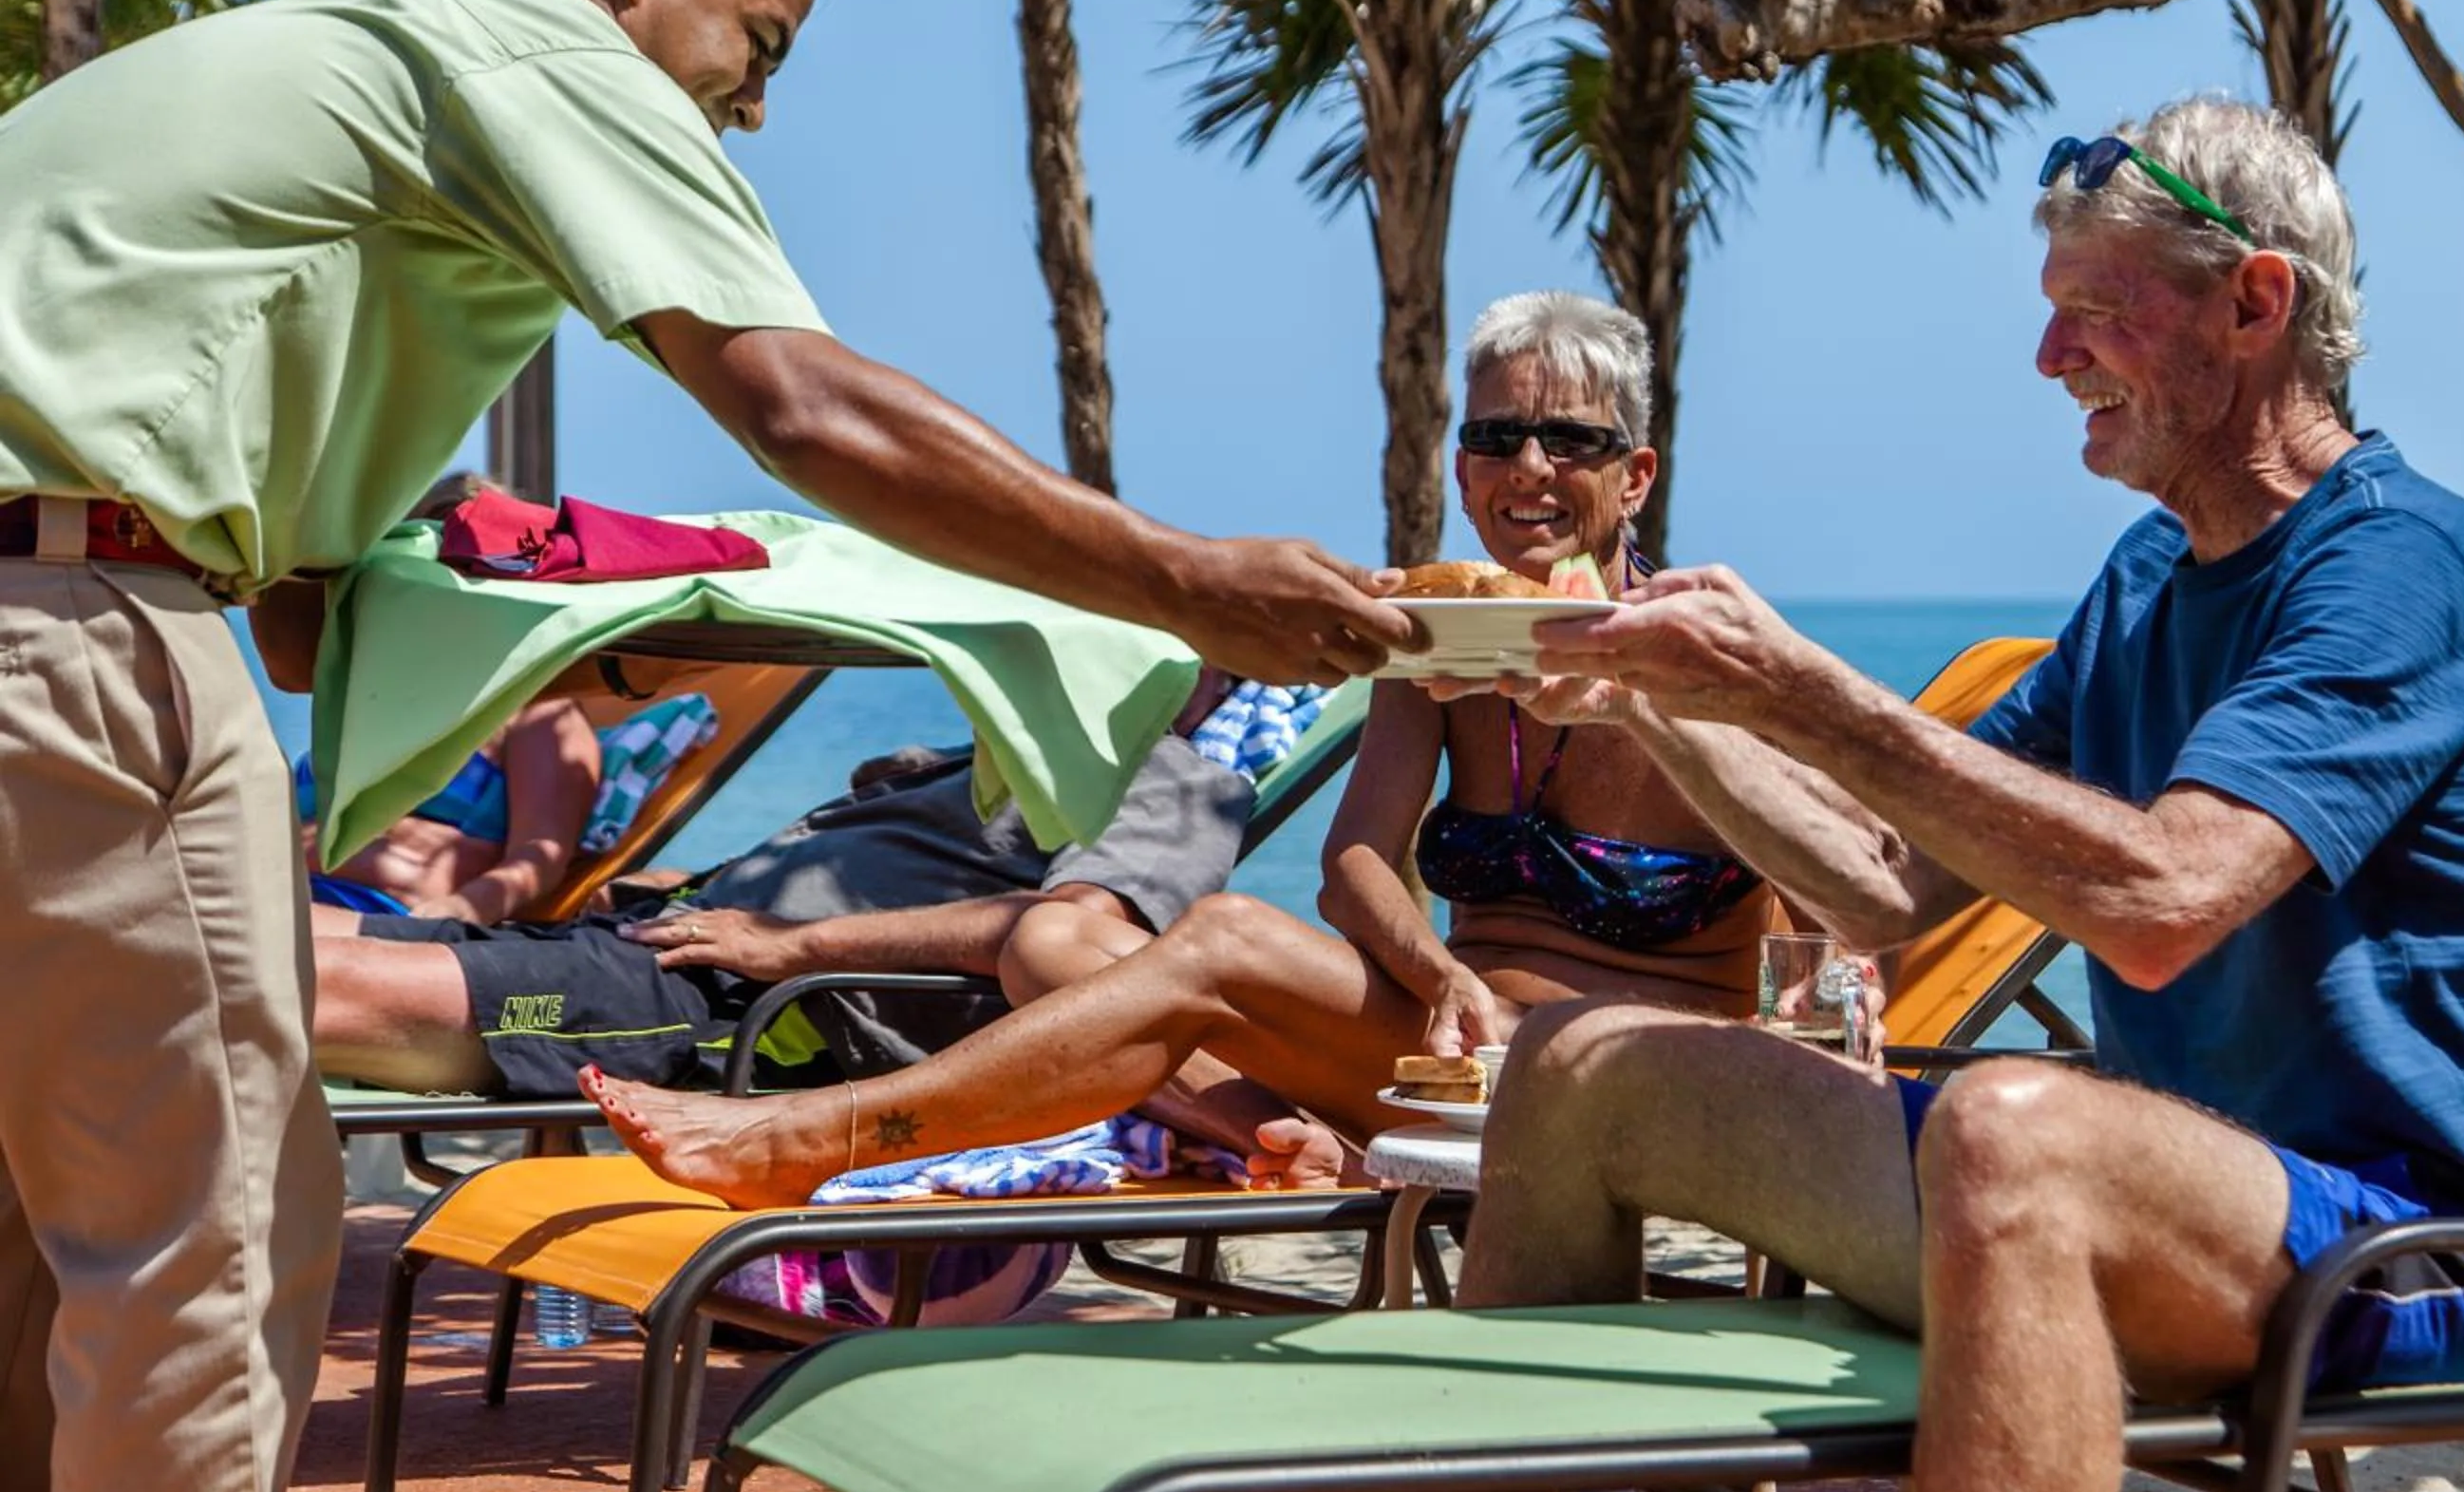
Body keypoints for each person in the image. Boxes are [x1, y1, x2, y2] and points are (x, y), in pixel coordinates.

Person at [0, 0, 1409, 1492]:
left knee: (27, 1226)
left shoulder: (315, 70)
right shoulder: (534, 54)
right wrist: (1185, 582)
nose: (751, 106)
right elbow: (797, 402)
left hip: (77, 600)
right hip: (74, 632)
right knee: (195, 1227)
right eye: (755, 40)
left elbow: (286, 603)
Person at [1403, 98, 2464, 1492]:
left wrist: (1798, 685)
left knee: (2011, 1121)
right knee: (1578, 1066)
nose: (2051, 360)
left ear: (2255, 301)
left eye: (2095, 313)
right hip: (2165, 1212)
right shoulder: (2151, 575)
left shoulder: (2402, 562)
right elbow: (1881, 886)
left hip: (2413, 1254)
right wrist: (1655, 705)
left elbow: (2167, 900)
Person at [576, 293, 1890, 1201]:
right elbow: (1356, 863)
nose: (1529, 467)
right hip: (1449, 1062)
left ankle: (820, 1139)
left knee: (1209, 942)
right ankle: (1283, 1133)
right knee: (1059, 936)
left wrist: (1842, 997)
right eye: (1496, 437)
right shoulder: (1437, 636)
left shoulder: (1703, 647)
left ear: (1638, 475)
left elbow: (1863, 876)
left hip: (1642, 1078)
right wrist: (1437, 968)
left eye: (1571, 441)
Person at [311, 668, 1258, 1098]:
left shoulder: (1173, 779)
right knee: (264, 934)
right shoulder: (998, 762)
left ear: (1214, 684)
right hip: (661, 944)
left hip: (739, 1005)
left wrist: (793, 944)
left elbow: (1073, 938)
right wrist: (684, 886)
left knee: (302, 987)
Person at [303, 474, 605, 921]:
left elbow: (536, 864)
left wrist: (441, 924)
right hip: (279, 906)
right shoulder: (371, 692)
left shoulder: (540, 711)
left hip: (380, 921)